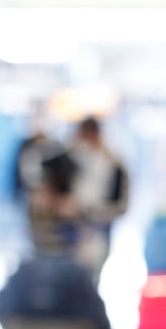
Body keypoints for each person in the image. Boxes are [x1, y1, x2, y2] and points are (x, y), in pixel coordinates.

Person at [66, 116, 129, 283]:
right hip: (69, 234)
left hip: (99, 231)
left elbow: (121, 204)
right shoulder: (69, 160)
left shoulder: (113, 164)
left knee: (92, 280)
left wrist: (95, 213)